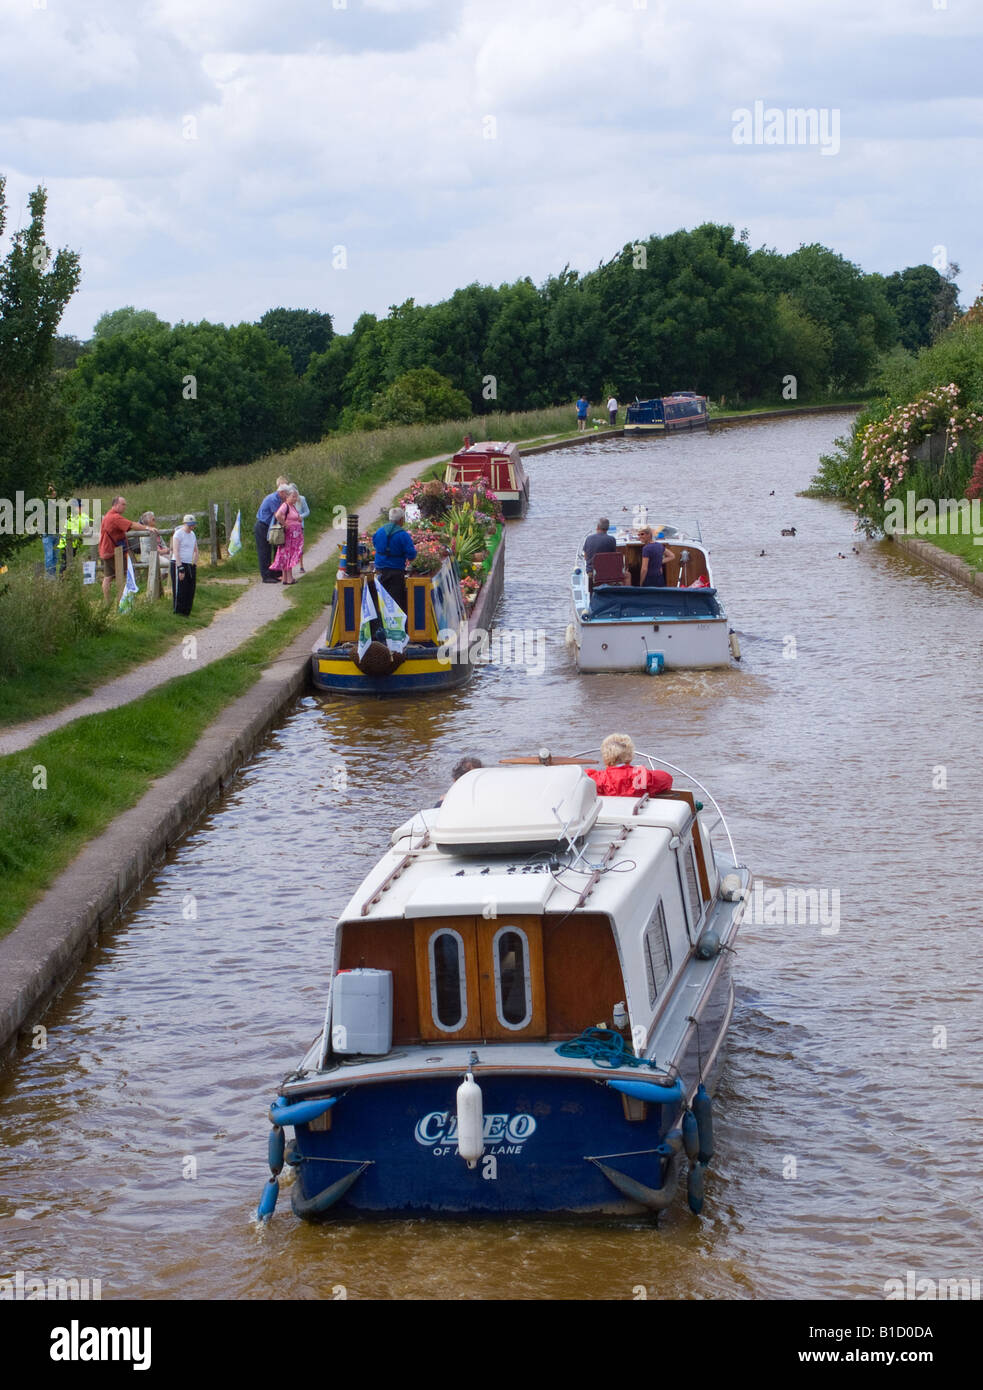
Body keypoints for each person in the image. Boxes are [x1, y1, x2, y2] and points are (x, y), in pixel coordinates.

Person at [99, 497, 157, 602]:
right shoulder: (115, 517)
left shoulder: (108, 516)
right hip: (114, 552)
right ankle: (124, 601)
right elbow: (132, 524)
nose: (125, 507)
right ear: (116, 505)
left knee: (108, 577)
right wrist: (148, 528)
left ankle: (107, 602)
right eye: (123, 504)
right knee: (127, 574)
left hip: (106, 550)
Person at [585, 734, 673, 797]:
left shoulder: (598, 778)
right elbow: (667, 779)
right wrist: (641, 770)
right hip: (636, 815)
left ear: (605, 757)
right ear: (630, 756)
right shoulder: (641, 775)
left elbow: (579, 779)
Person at [372, 506, 416, 611]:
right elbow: (411, 555)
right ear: (401, 520)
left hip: (380, 570)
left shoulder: (379, 531)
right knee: (395, 601)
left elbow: (375, 544)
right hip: (396, 571)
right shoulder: (403, 535)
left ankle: (381, 622)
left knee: (382, 599)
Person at [255, 484, 290, 582]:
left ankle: (274, 573)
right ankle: (266, 576)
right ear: (282, 492)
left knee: (275, 549)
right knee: (264, 551)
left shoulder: (279, 499)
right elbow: (278, 515)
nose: (287, 496)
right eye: (286, 494)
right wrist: (287, 524)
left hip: (271, 526)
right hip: (263, 526)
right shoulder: (273, 499)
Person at [271, 486, 304, 585]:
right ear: (287, 497)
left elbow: (296, 517)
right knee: (288, 555)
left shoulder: (292, 506)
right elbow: (277, 515)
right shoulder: (285, 506)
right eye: (293, 497)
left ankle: (285, 578)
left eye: (296, 497)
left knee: (287, 555)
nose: (295, 499)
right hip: (289, 536)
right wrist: (285, 524)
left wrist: (298, 520)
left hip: (294, 536)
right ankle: (289, 578)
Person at [170, 514, 199, 615]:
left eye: (193, 525)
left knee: (190, 588)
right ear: (185, 524)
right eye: (189, 525)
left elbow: (195, 550)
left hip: (188, 563)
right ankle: (178, 611)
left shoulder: (193, 534)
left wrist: (194, 564)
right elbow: (176, 551)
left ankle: (187, 611)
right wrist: (180, 567)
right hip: (178, 563)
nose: (191, 527)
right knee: (180, 589)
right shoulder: (178, 534)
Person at [58, 497, 92, 574]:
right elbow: (78, 527)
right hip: (66, 544)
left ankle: (67, 577)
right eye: (79, 507)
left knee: (71, 563)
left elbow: (89, 522)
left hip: (75, 544)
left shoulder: (82, 516)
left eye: (81, 507)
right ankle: (62, 580)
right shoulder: (70, 518)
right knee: (66, 564)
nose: (81, 508)